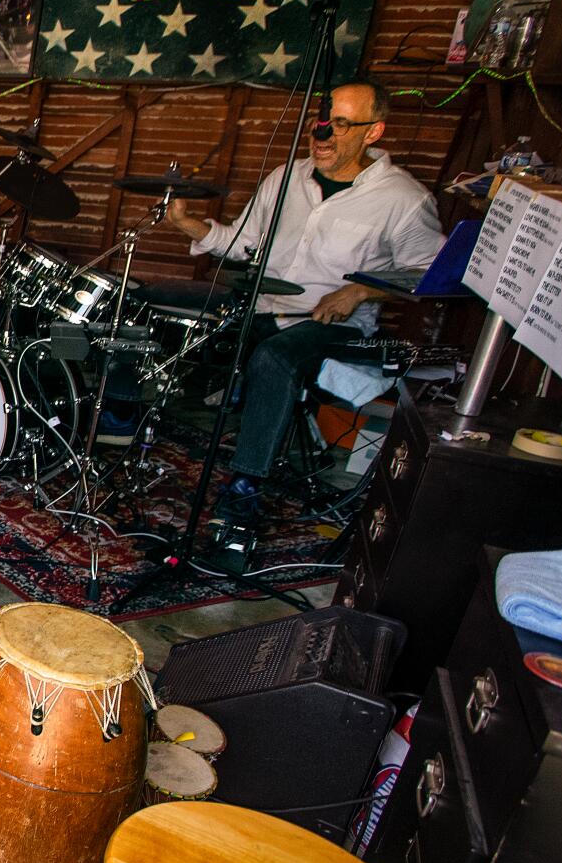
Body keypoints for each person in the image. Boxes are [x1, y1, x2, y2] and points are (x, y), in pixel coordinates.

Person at [163, 80, 444, 528]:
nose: (323, 135)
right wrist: (186, 224)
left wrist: (359, 292)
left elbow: (429, 275)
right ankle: (120, 423)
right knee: (150, 301)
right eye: (320, 123)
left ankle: (244, 488)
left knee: (274, 358)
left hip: (332, 325)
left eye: (341, 125)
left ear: (373, 133)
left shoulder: (404, 200)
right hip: (261, 304)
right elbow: (242, 244)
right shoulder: (284, 178)